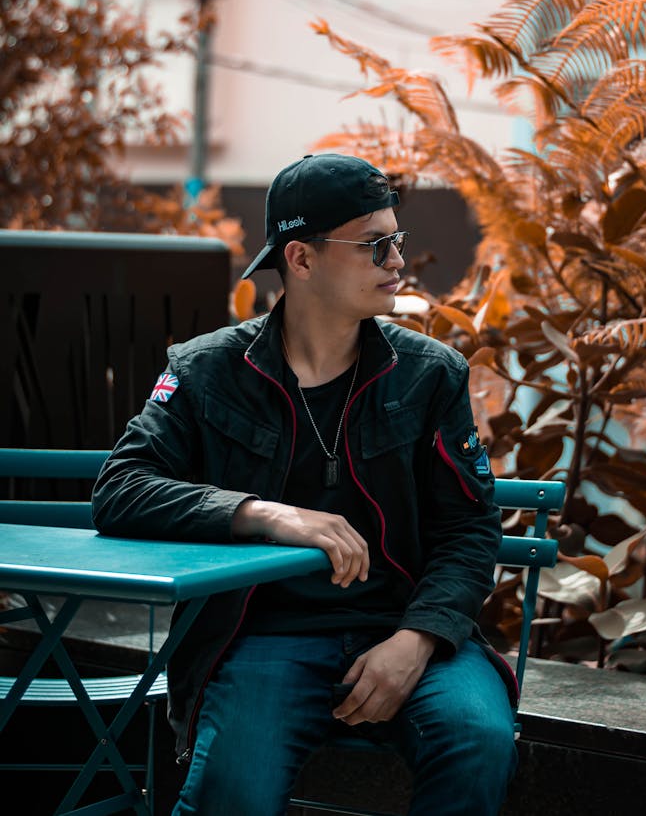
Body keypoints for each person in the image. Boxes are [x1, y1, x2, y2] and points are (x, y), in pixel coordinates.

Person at [92, 152, 518, 815]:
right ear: (301, 258)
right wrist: (264, 513)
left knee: (478, 737)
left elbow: (469, 526)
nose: (397, 262)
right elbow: (122, 486)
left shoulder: (430, 375)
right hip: (264, 637)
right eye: (375, 244)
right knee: (231, 789)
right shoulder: (207, 371)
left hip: (408, 629)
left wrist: (417, 640)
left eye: (396, 241)